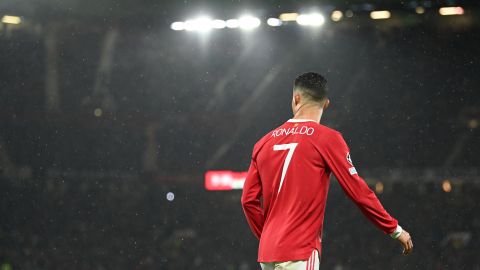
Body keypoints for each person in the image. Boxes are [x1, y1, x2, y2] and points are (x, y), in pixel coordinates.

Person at [241, 72, 413, 270]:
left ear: (296, 98)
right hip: (300, 249)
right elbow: (357, 191)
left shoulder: (263, 143)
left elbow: (248, 200)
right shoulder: (327, 139)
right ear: (326, 104)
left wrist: (268, 237)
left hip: (268, 253)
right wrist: (394, 229)